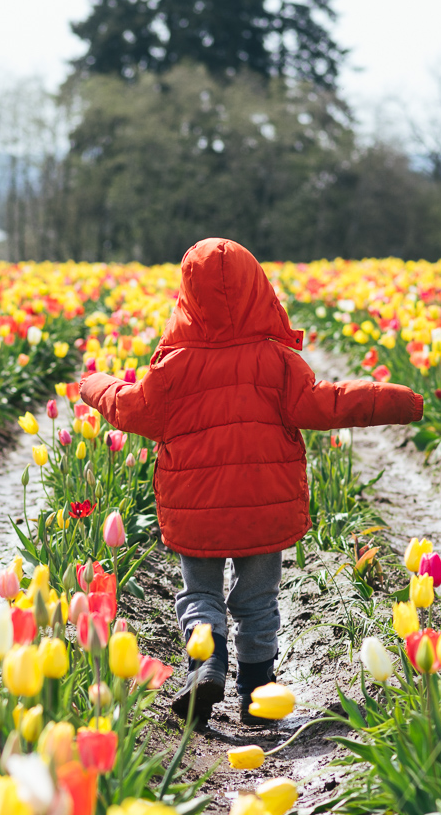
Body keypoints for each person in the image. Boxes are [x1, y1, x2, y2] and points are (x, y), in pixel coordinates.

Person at [78, 238, 422, 726]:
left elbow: (130, 407)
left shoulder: (172, 367)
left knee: (200, 596)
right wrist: (396, 399)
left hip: (195, 508)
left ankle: (207, 663)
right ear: (259, 288)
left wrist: (94, 383)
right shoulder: (276, 362)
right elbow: (329, 402)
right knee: (257, 601)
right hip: (264, 506)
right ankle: (258, 692)